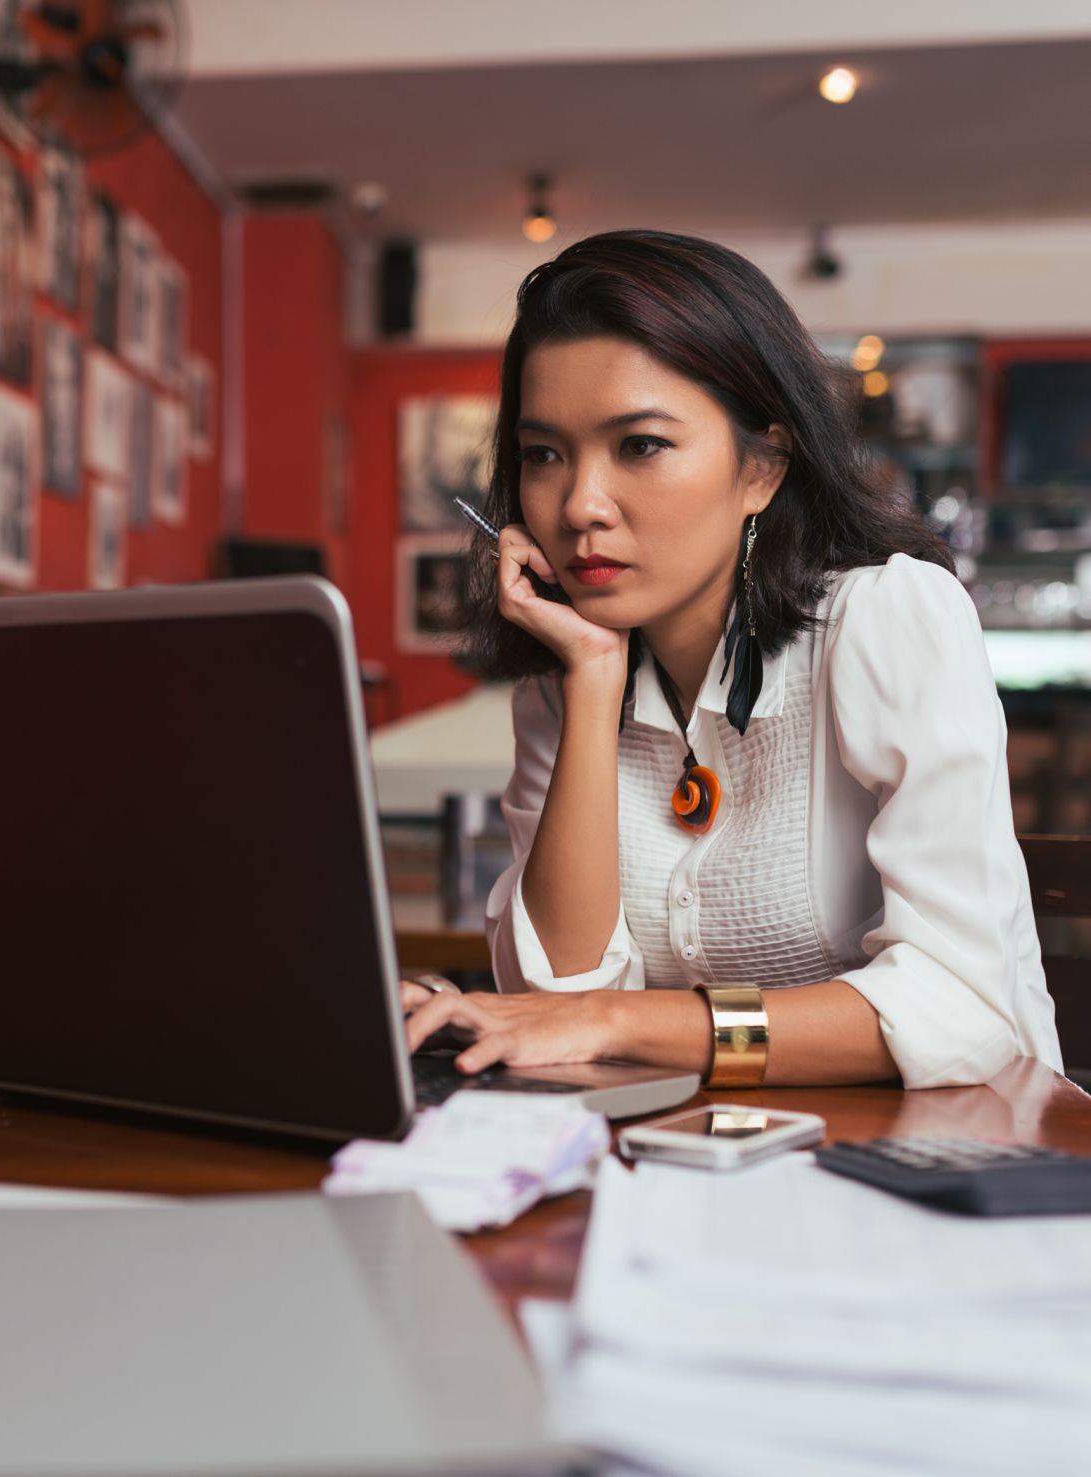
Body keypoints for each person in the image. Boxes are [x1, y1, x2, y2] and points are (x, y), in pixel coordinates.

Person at [401, 229, 1060, 1091]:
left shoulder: (885, 618)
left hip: (943, 1165)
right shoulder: (563, 687)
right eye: (543, 455)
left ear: (762, 467)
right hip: (699, 1160)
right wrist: (594, 683)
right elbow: (558, 998)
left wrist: (619, 1021)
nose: (579, 505)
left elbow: (964, 1013)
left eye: (639, 445)